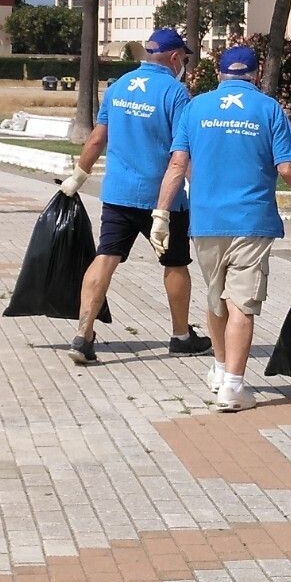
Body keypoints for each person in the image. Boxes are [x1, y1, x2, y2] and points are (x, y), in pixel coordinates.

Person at [153, 44, 291, 411]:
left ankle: (220, 369)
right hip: (251, 222)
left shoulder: (195, 108)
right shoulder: (268, 109)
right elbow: (288, 168)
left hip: (205, 221)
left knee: (215, 296)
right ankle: (233, 388)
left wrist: (161, 215)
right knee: (242, 303)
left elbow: (178, 164)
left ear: (220, 75)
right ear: (256, 75)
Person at [58, 27, 211, 365]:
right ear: (174, 58)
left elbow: (97, 139)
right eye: (183, 58)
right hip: (164, 200)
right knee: (175, 263)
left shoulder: (119, 87)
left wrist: (77, 178)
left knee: (106, 256)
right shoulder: (175, 93)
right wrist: (202, 192)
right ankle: (181, 336)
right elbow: (181, 154)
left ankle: (83, 335)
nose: (183, 63)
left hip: (118, 194)